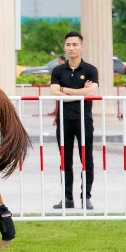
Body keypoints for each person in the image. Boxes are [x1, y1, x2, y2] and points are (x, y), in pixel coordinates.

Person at [50, 31, 100, 210]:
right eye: (68, 45)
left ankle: (86, 196)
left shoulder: (90, 70)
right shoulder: (57, 70)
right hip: (64, 121)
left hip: (84, 120)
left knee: (87, 159)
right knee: (66, 160)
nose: (71, 48)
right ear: (64, 47)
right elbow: (54, 93)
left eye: (75, 45)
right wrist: (79, 92)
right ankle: (67, 198)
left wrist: (64, 90)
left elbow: (91, 92)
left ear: (81, 47)